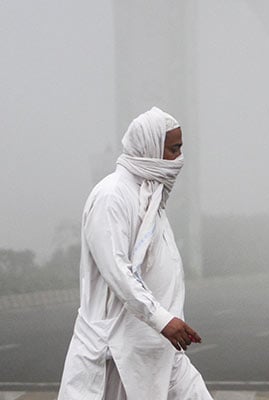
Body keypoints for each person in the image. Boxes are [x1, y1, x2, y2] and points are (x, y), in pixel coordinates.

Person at [58, 107, 212, 400]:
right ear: (150, 146)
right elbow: (117, 269)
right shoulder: (112, 196)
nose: (179, 159)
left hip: (159, 350)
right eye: (173, 149)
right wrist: (161, 319)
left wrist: (165, 322)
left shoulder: (150, 195)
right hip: (115, 352)